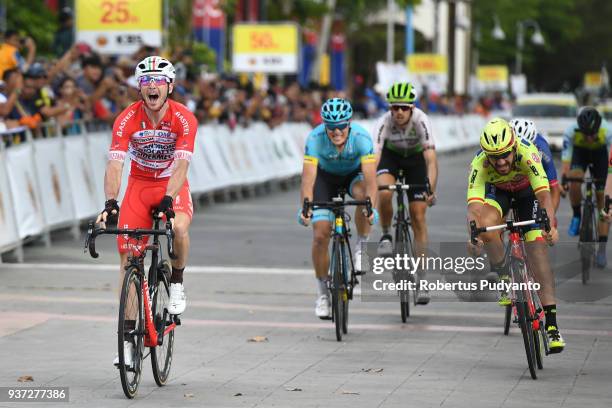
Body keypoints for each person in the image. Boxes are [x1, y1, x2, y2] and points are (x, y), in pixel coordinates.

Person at [95, 56, 198, 366]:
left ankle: (177, 282)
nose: (152, 87)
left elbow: (181, 165)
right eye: (146, 83)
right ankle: (127, 342)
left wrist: (169, 197)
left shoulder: (184, 118)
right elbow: (115, 165)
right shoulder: (126, 119)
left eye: (158, 82)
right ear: (139, 88)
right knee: (128, 262)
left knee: (179, 228)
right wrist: (111, 203)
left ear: (170, 86)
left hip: (171, 184)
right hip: (139, 187)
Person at [467, 118, 565, 353]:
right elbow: (474, 208)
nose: (500, 162)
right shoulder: (479, 163)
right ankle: (504, 276)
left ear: (513, 148)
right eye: (494, 157)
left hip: (527, 194)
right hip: (498, 192)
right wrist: (474, 236)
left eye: (505, 155)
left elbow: (544, 196)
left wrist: (549, 225)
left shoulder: (528, 153)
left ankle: (552, 325)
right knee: (486, 227)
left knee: (537, 249)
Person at [298, 98, 378, 318]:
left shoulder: (361, 138)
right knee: (321, 234)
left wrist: (371, 208)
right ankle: (322, 293)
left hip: (354, 176)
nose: (336, 131)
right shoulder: (315, 138)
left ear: (349, 123)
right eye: (330, 127)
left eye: (341, 126)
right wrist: (306, 206)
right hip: (325, 178)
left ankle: (362, 245)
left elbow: (371, 181)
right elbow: (308, 179)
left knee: (364, 198)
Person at [373, 82, 438, 305]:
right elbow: (375, 156)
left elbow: (430, 160)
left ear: (411, 108)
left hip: (416, 161)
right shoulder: (383, 122)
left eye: (403, 107)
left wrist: (430, 188)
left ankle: (422, 280)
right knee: (383, 192)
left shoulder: (422, 120)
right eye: (394, 108)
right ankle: (385, 234)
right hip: (391, 157)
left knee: (418, 216)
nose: (399, 112)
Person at [561, 107, 611, 267]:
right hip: (580, 153)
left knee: (603, 201)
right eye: (585, 134)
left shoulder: (608, 130)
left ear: (599, 128)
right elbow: (566, 160)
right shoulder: (571, 131)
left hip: (601, 155)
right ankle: (577, 215)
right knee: (574, 181)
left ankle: (602, 249)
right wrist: (565, 180)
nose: (589, 138)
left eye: (593, 134)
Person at [509, 119, 561, 213]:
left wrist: (550, 221)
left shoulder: (541, 147)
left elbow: (554, 187)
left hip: (532, 176)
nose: (522, 150)